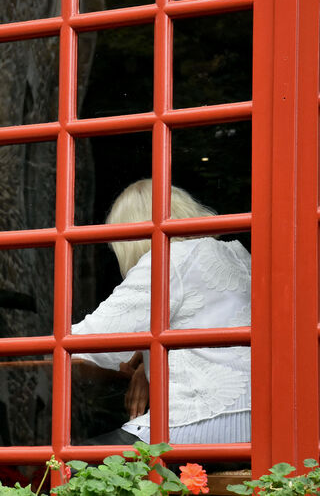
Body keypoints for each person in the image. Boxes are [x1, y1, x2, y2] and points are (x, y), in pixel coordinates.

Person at [73, 179, 251, 445]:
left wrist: (23, 342)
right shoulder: (238, 254)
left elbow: (90, 341)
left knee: (68, 471)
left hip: (199, 421)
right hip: (256, 420)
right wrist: (149, 363)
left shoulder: (168, 257)